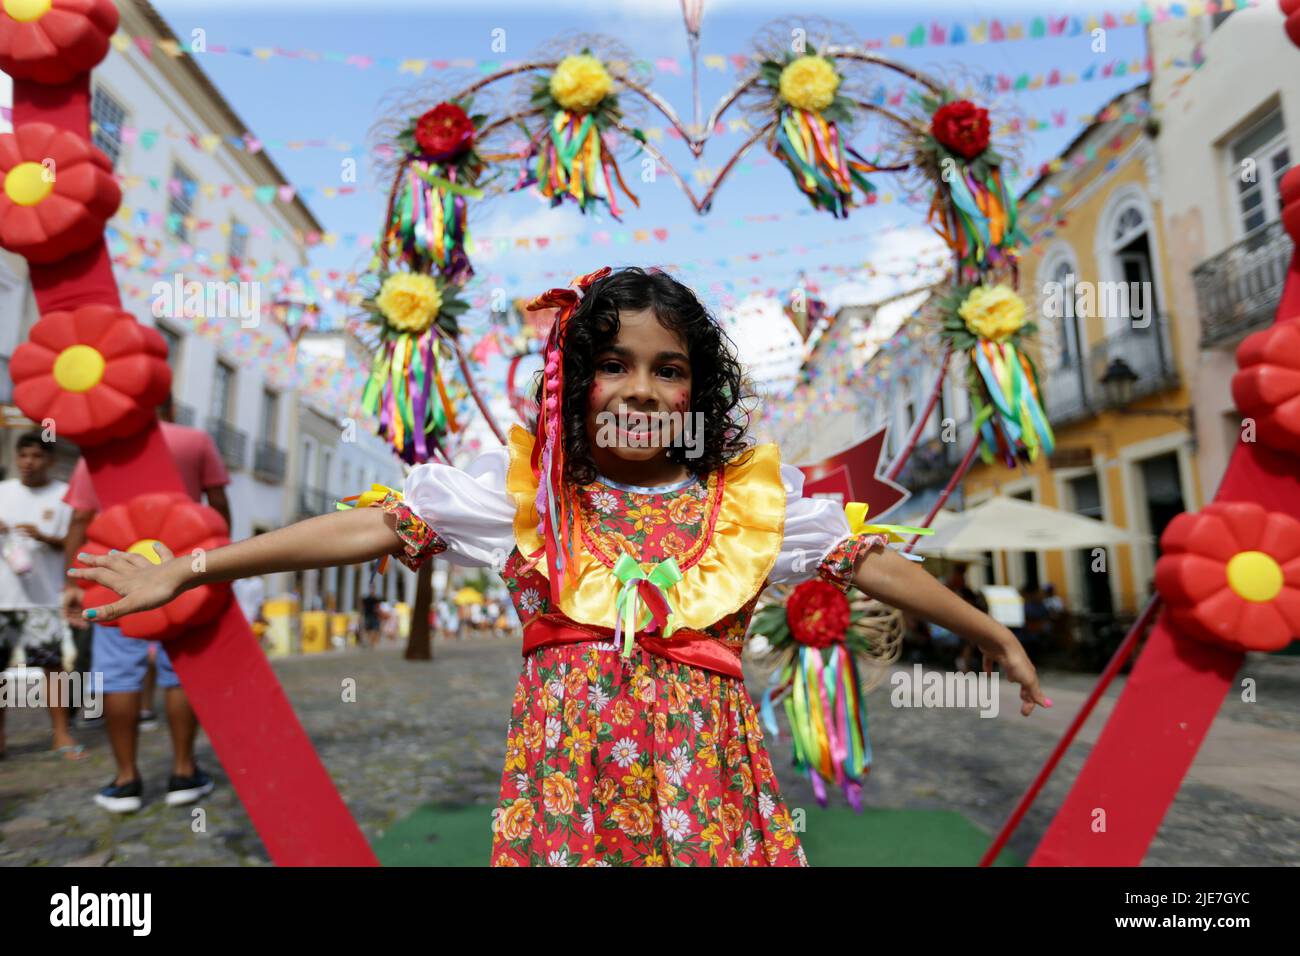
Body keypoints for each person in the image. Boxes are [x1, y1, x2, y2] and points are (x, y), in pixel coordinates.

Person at [68, 266, 1048, 866]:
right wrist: (194, 569)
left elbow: (870, 561)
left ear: (698, 389)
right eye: (614, 363)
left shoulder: (749, 498)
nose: (642, 387)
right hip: (565, 789)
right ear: (571, 386)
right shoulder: (528, 501)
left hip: (711, 781)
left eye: (670, 369)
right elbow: (365, 528)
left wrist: (990, 629)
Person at [63, 395, 229, 812]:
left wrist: (74, 581)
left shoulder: (98, 455)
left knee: (119, 672)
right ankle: (183, 772)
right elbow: (220, 509)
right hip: (182, 568)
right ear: (169, 407)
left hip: (115, 573)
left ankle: (125, 780)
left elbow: (80, 520)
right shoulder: (194, 441)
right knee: (181, 673)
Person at [0, 431, 82, 760]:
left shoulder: (65, 496)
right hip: (2, 598)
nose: (28, 463)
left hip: (43, 599)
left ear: (51, 460)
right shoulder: (2, 491)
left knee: (51, 668)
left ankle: (61, 735)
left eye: (36, 456)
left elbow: (76, 546)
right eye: (23, 456)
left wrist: (46, 538)